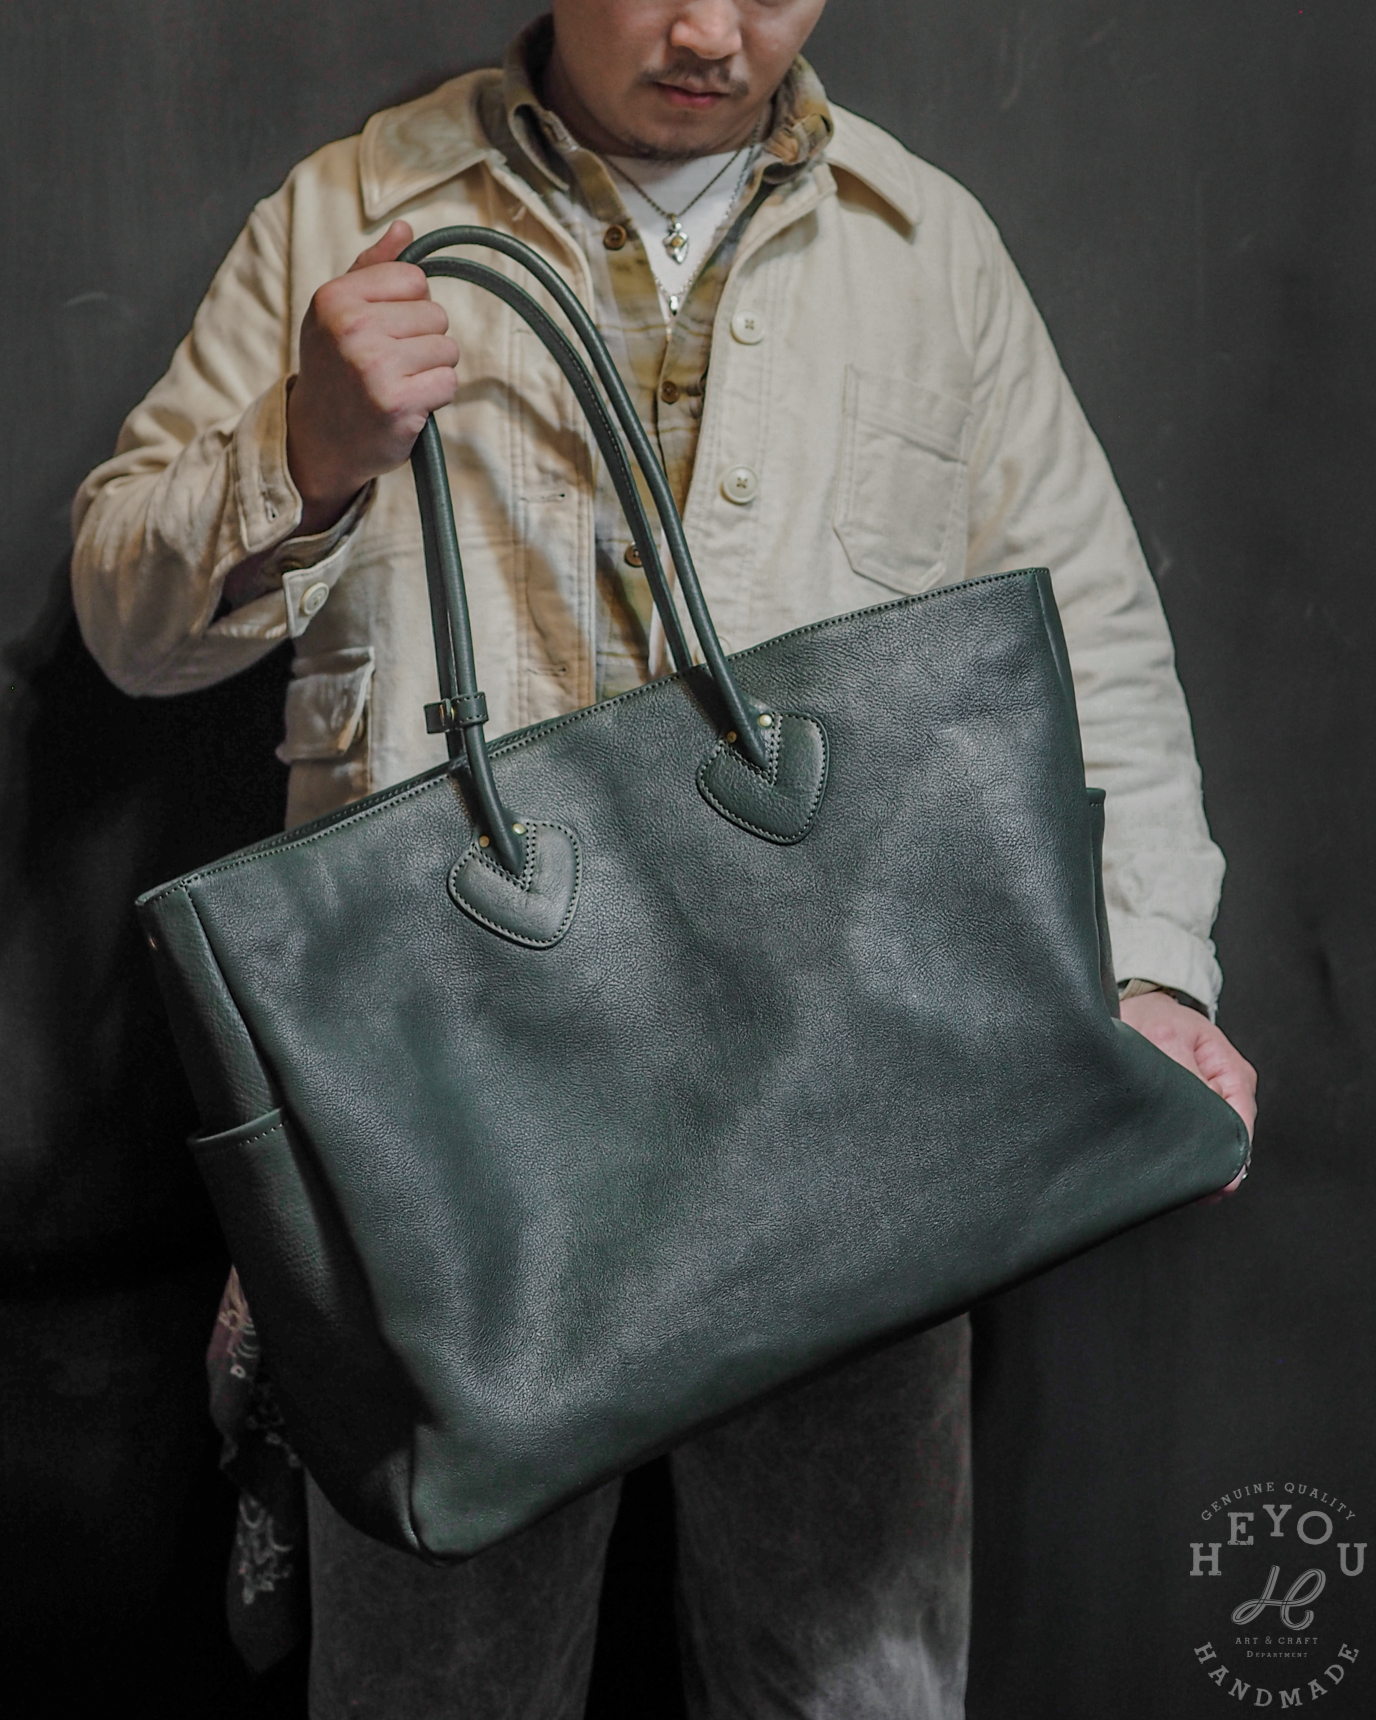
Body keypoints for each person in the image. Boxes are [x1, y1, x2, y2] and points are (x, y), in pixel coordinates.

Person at [71, 2, 1258, 1714]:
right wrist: (303, 451)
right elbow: (122, 616)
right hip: (451, 1151)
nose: (712, 29)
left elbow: (1098, 640)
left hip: (862, 1112)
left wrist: (1152, 972)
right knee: (439, 1694)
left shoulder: (923, 248)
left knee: (853, 1686)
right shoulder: (350, 210)